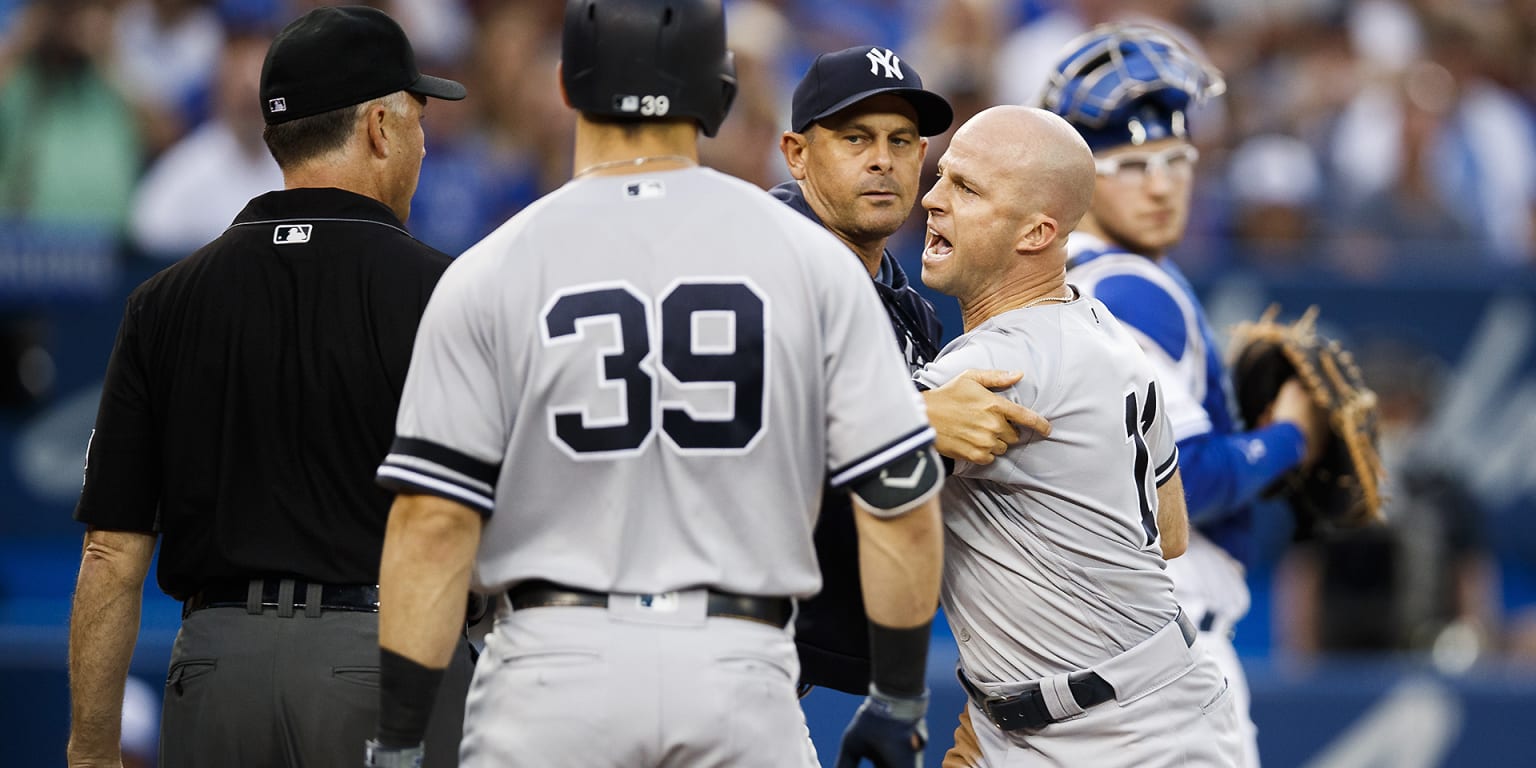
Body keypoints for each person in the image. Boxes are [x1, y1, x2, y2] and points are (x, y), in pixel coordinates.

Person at [366, 2, 945, 767]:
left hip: (551, 669)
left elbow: (433, 521)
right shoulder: (812, 264)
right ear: (722, 93)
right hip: (740, 671)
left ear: (569, 87)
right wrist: (898, 696)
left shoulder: (494, 266)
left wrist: (401, 739)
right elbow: (900, 496)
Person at [67, 7, 473, 767]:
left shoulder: (164, 301)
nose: (423, 142)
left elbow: (109, 554)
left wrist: (92, 750)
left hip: (216, 673)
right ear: (380, 129)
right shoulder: (447, 293)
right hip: (379, 664)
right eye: (417, 119)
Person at [1038, 22, 1330, 766]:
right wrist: (1292, 435)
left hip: (1086, 655)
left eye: (1176, 159)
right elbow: (1187, 481)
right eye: (1131, 165)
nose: (1163, 184)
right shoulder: (1130, 286)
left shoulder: (1051, 280)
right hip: (1163, 666)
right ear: (1076, 176)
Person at [916, 104, 1240, 767]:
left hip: (1122, 738)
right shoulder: (1101, 325)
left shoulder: (998, 366)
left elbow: (809, 466)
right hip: (1095, 711)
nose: (931, 198)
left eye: (966, 189)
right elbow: (1171, 531)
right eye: (944, 175)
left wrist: (897, 420)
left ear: (1037, 232)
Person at [775, 44, 1051, 699]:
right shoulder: (758, 267)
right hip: (712, 639)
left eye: (903, 140)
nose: (882, 159)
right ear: (796, 153)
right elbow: (720, 441)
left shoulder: (906, 304)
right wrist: (910, 420)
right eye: (854, 138)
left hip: (793, 658)